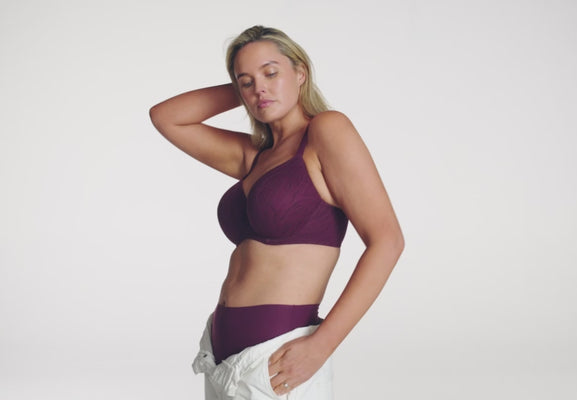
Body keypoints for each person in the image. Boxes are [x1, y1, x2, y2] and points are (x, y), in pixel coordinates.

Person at [150, 25, 404, 400]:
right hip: (222, 361)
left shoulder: (327, 131)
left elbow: (388, 241)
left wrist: (323, 345)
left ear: (300, 73)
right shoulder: (255, 156)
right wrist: (252, 86)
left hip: (279, 361)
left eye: (271, 73)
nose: (259, 89)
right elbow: (165, 116)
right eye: (246, 81)